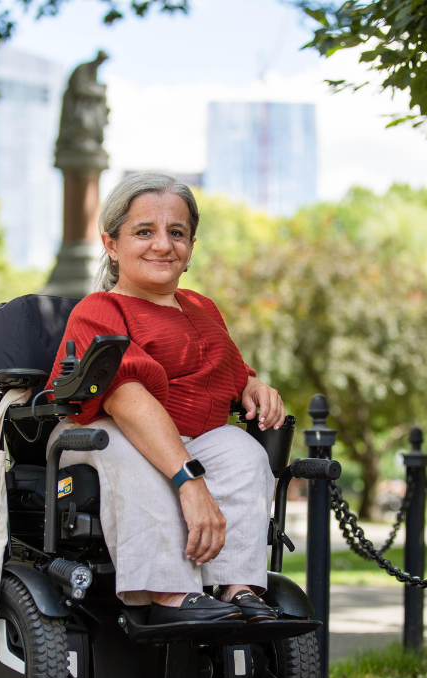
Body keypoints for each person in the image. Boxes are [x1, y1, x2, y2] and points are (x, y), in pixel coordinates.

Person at [46, 173, 285, 625]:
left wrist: (253, 387)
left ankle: (238, 587)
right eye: (144, 232)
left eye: (176, 233)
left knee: (242, 452)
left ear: (191, 246)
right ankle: (168, 593)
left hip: (187, 437)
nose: (163, 245)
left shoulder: (202, 308)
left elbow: (230, 369)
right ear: (111, 244)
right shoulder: (99, 311)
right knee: (128, 449)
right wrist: (189, 482)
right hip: (102, 434)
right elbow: (126, 398)